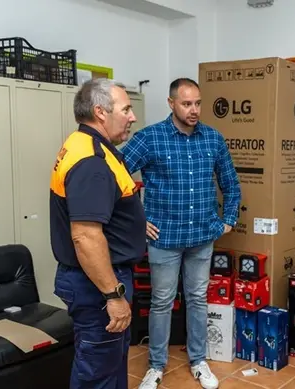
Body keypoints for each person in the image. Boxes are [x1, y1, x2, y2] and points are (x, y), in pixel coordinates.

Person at [122, 77, 241, 389]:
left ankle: (199, 360)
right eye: (187, 103)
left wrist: (227, 219)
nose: (194, 110)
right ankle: (156, 366)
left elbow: (231, 182)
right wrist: (138, 219)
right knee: (162, 301)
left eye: (198, 103)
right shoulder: (150, 138)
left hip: (203, 236)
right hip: (165, 238)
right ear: (171, 103)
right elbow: (115, 175)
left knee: (198, 299)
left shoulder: (213, 139)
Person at [49, 78, 146, 389]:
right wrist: (113, 295)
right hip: (99, 286)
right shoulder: (91, 160)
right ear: (101, 112)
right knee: (97, 375)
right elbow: (86, 236)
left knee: (111, 364)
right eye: (126, 109)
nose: (132, 117)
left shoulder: (91, 146)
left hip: (101, 280)